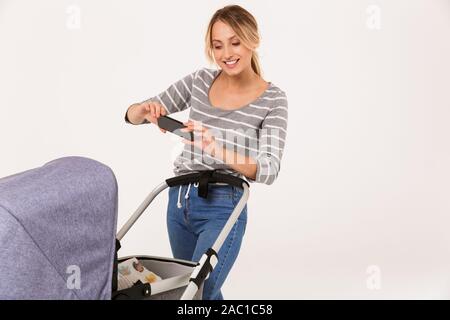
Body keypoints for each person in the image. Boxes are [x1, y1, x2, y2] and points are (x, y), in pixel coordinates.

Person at [124, 5, 288, 300]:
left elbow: (269, 168)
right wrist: (144, 110)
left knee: (195, 292)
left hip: (224, 204)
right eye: (218, 45)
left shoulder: (273, 99)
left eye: (235, 42)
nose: (226, 53)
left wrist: (216, 148)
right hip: (178, 202)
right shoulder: (200, 80)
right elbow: (134, 115)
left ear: (253, 40)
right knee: (191, 296)